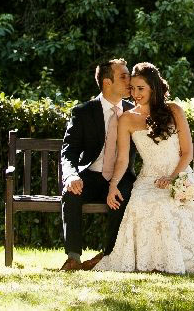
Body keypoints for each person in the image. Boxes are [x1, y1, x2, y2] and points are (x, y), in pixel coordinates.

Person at [82, 62, 194, 273]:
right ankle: (146, 263)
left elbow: (187, 153)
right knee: (141, 203)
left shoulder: (174, 110)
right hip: (147, 179)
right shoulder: (127, 119)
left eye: (141, 89)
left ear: (153, 88)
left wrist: (172, 177)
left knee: (163, 205)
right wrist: (113, 186)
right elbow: (122, 160)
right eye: (133, 89)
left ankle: (166, 263)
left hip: (178, 176)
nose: (135, 94)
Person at [58, 58, 137, 271]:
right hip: (92, 175)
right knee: (71, 192)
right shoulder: (83, 111)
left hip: (120, 176)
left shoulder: (134, 112)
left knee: (122, 195)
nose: (129, 80)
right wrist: (71, 175)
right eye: (123, 76)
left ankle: (108, 256)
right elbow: (69, 151)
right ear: (106, 82)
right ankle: (73, 257)